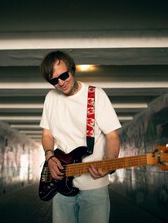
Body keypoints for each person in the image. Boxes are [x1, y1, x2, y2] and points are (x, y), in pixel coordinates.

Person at [39, 50, 121, 223]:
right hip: (60, 186)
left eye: (64, 75)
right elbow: (47, 133)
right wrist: (49, 155)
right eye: (54, 80)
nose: (61, 83)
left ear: (72, 69)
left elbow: (112, 136)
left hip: (94, 187)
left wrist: (110, 161)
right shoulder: (51, 98)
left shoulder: (96, 95)